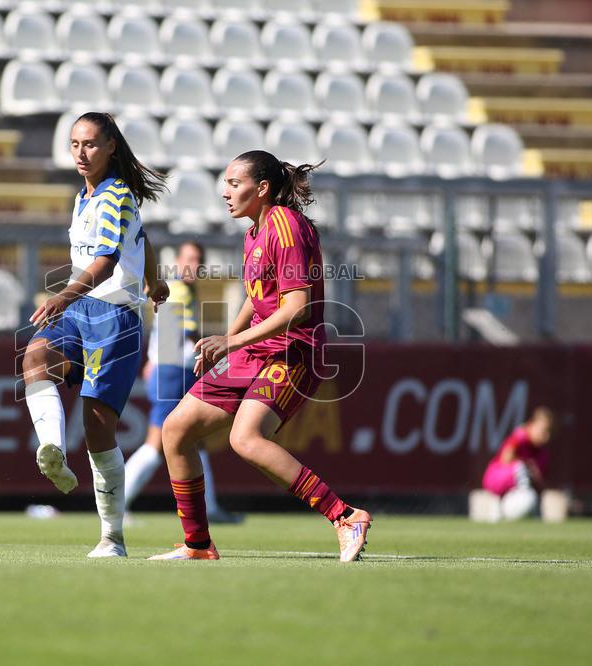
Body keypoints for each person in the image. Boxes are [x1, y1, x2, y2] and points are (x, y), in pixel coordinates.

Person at [148, 151, 372, 562]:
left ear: (262, 188)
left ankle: (345, 516)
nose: (225, 192)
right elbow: (258, 299)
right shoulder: (254, 232)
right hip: (255, 350)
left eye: (234, 183)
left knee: (245, 439)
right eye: (226, 183)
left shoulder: (285, 226)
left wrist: (230, 344)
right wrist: (226, 342)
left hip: (292, 352)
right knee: (175, 430)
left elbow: (296, 308)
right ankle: (198, 544)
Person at [21, 112, 168, 558]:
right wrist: (155, 280)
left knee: (98, 429)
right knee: (34, 358)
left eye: (89, 144)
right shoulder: (84, 197)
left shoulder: (116, 196)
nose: (80, 153)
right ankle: (52, 448)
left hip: (113, 318)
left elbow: (105, 261)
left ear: (110, 148)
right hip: (81, 309)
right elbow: (143, 240)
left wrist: (61, 297)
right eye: (74, 144)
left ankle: (112, 537)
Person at [125, 240, 242, 524]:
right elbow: (181, 337)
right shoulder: (178, 290)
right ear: (178, 260)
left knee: (196, 442)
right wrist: (218, 351)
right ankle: (115, 503)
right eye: (189, 259)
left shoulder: (182, 289)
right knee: (156, 444)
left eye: (198, 260)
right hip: (173, 373)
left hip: (174, 370)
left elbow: (166, 335)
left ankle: (210, 508)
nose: (194, 265)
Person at [481, 407, 553, 521]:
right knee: (521, 467)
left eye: (549, 432)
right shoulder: (521, 437)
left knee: (530, 475)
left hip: (513, 484)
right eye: (543, 431)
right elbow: (506, 458)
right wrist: (526, 464)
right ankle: (500, 507)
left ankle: (534, 513)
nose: (546, 436)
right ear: (532, 425)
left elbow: (540, 481)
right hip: (496, 477)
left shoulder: (542, 453)